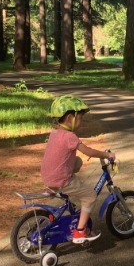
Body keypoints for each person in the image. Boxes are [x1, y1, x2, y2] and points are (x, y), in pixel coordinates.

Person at [40, 95, 116, 244]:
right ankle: (80, 232)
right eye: (80, 119)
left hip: (48, 177)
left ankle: (55, 189)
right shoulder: (70, 137)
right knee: (90, 196)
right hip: (61, 180)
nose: (81, 122)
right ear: (70, 119)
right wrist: (107, 155)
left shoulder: (55, 132)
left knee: (77, 161)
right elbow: (88, 151)